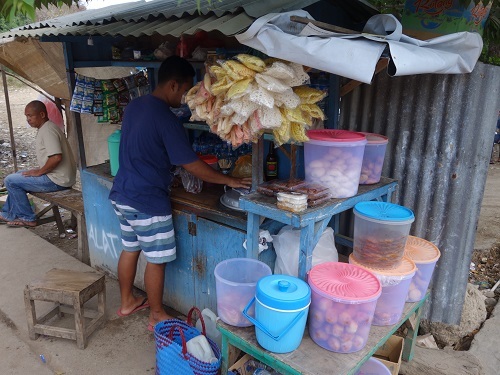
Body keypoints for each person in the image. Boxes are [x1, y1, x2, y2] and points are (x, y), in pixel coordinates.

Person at [109, 56, 252, 330]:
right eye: (186, 90)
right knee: (157, 260)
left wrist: (166, 175)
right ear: (173, 85)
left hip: (122, 194)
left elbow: (145, 150)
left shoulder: (135, 106)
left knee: (130, 249)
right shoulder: (166, 118)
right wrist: (229, 180)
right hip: (147, 200)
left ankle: (127, 301)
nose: (187, 98)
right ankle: (157, 314)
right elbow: (192, 164)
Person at [0, 100, 76, 227]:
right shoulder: (46, 128)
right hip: (58, 177)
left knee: (10, 180)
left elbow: (56, 157)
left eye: (30, 115)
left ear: (42, 115)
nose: (28, 119)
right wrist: (38, 170)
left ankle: (27, 217)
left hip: (58, 181)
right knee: (20, 174)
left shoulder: (48, 130)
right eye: (26, 116)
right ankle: (8, 212)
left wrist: (40, 171)